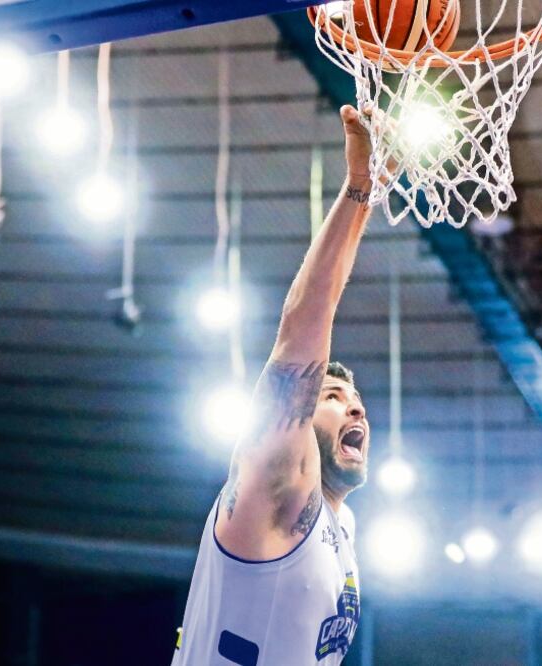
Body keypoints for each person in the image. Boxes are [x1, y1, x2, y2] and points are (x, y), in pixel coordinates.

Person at [172, 104, 375, 666]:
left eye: (357, 403)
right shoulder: (275, 482)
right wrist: (360, 189)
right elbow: (304, 325)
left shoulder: (341, 524)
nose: (356, 412)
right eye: (333, 399)